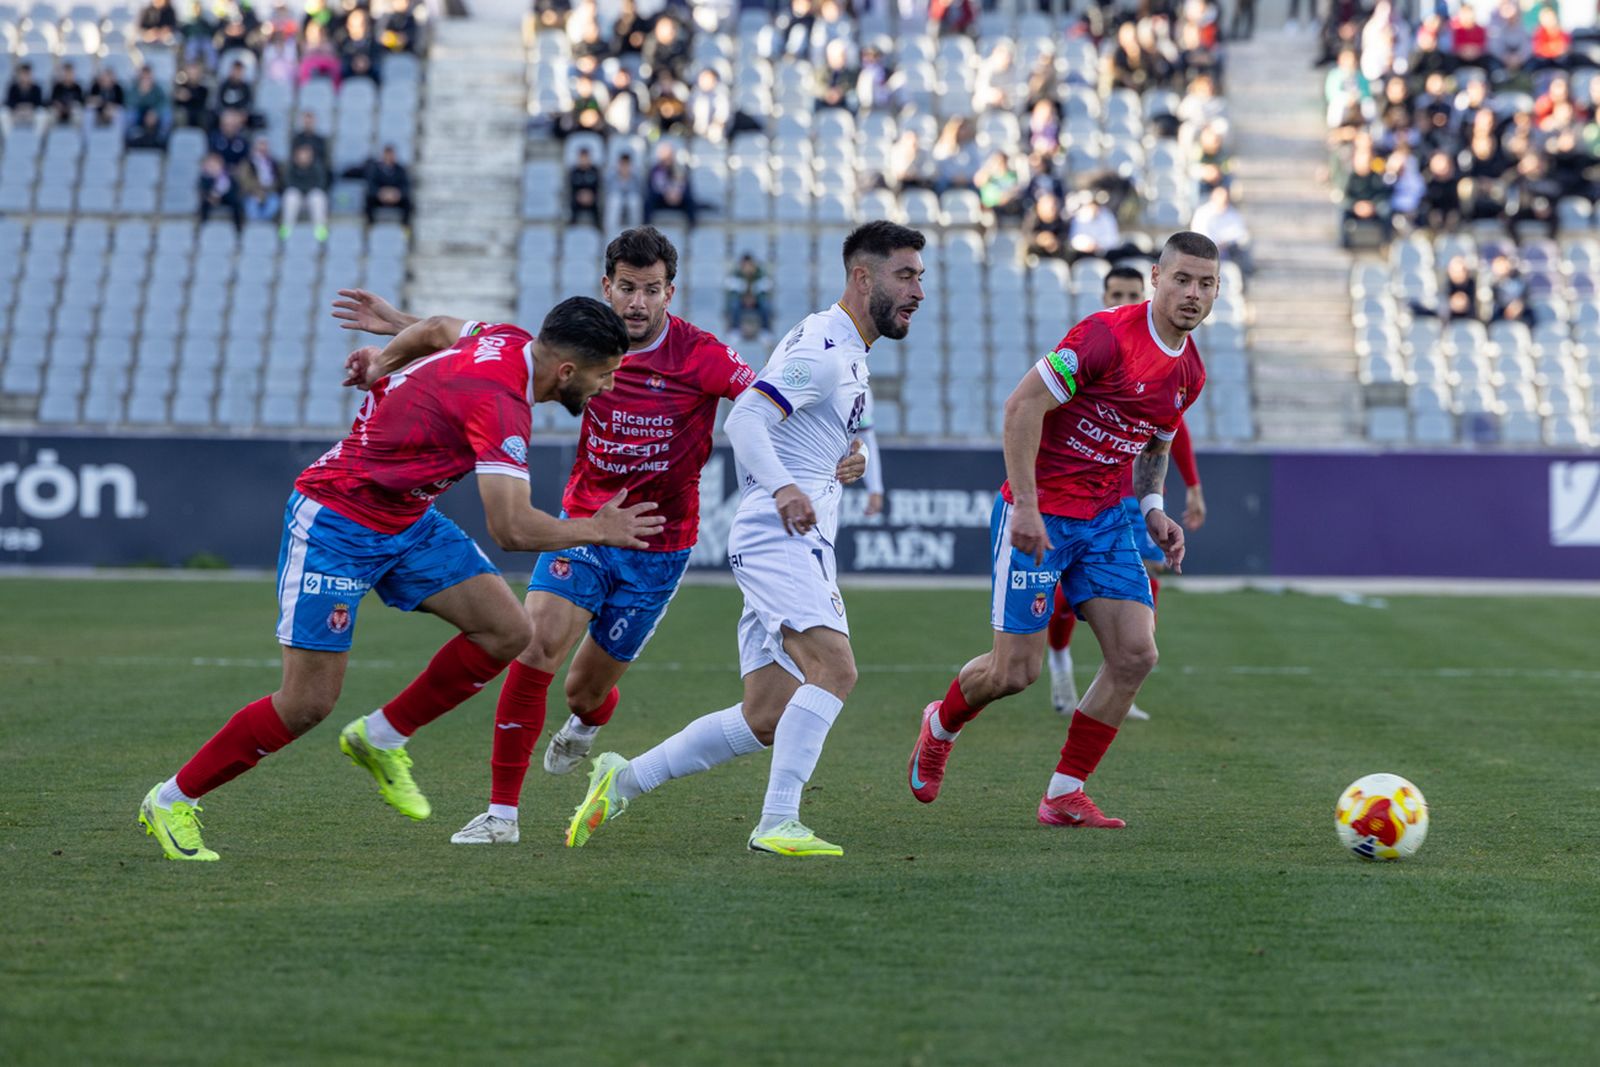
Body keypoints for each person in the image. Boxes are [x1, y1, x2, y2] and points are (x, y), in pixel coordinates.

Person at [138, 299, 662, 861]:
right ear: (566, 372)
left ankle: (382, 736)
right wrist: (598, 530)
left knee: (508, 631)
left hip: (407, 520)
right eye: (604, 374)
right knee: (307, 703)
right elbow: (510, 528)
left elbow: (437, 328)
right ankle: (171, 800)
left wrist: (384, 359)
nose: (608, 386)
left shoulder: (507, 338)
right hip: (338, 522)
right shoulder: (502, 404)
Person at [564, 220, 925, 858]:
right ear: (863, 277)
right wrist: (786, 487)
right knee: (835, 670)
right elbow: (750, 415)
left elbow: (799, 424)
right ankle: (778, 821)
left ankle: (624, 779)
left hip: (784, 533)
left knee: (765, 715)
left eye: (919, 275)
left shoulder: (844, 348)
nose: (917, 290)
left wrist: (847, 453)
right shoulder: (823, 347)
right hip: (779, 535)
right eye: (905, 275)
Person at [907, 232, 1215, 830]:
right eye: (1182, 279)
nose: (1193, 294)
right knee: (1013, 673)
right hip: (1041, 516)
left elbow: (1156, 439)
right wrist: (1025, 505)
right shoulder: (1104, 335)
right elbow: (1022, 407)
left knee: (1135, 654)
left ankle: (1064, 792)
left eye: (1206, 284)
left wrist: (1152, 505)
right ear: (1156, 278)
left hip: (1103, 519)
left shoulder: (1191, 371)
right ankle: (939, 724)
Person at [1042, 265, 1207, 720]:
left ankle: (1116, 682)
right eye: (1118, 292)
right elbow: (1038, 406)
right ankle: (1060, 663)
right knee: (1063, 592)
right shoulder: (1096, 342)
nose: (1126, 298)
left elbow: (1172, 432)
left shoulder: (1176, 362)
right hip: (1076, 494)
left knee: (1148, 576)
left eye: (1132, 292)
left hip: (1130, 494)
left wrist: (1190, 485)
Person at [281, 141, 331, 239]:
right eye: (301, 154)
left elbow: (320, 184)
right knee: (290, 195)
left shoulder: (317, 167)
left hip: (310, 197)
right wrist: (303, 189)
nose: (303, 157)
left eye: (306, 155)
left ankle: (320, 230)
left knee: (318, 196)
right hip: (297, 197)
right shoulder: (291, 168)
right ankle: (287, 228)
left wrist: (305, 190)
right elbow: (288, 184)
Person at [358, 144, 412, 226]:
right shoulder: (375, 169)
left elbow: (406, 185)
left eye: (391, 155)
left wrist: (397, 193)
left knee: (408, 202)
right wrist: (380, 193)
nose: (389, 157)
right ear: (383, 155)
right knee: (368, 199)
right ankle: (370, 225)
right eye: (387, 154)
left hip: (395, 198)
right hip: (380, 198)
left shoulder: (400, 169)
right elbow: (371, 185)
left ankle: (405, 226)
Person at [724, 251, 773, 337]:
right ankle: (735, 329)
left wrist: (755, 296)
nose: (747, 268)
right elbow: (732, 289)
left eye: (749, 265)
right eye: (745, 265)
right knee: (734, 305)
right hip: (742, 301)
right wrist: (743, 295)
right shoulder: (736, 274)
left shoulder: (760, 274)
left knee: (765, 305)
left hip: (756, 301)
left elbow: (766, 287)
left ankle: (765, 329)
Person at [237, 136, 283, 223]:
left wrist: (267, 191)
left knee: (274, 203)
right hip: (251, 193)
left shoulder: (274, 163)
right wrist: (258, 190)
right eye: (260, 145)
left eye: (264, 145)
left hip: (269, 192)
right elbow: (245, 181)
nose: (263, 148)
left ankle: (263, 227)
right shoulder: (247, 163)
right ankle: (256, 228)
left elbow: (278, 180)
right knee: (251, 206)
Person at [198, 152, 244, 230]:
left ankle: (238, 228)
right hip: (211, 198)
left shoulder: (228, 175)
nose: (214, 167)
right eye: (211, 165)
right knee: (204, 204)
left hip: (225, 197)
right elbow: (203, 190)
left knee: (236, 202)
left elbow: (234, 189)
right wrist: (211, 197)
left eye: (216, 164)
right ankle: (203, 226)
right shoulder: (205, 177)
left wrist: (222, 194)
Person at [567, 146, 602, 227]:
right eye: (582, 158)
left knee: (597, 208)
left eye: (585, 158)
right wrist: (579, 196)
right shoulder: (574, 171)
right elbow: (571, 188)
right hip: (577, 199)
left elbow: (598, 187)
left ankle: (598, 229)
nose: (584, 160)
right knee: (572, 206)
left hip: (592, 199)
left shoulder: (594, 170)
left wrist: (591, 196)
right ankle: (572, 228)